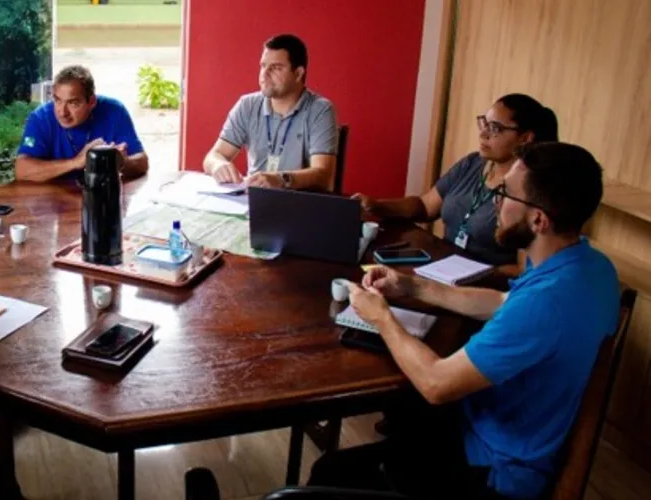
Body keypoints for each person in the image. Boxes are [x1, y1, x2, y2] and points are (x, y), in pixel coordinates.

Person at [308, 142, 619, 499]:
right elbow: (504, 302)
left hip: (492, 470)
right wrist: (413, 286)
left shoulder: (545, 304)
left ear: (539, 220)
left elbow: (436, 384)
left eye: (505, 193)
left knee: (330, 471)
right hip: (506, 428)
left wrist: (382, 317)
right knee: (405, 413)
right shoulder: (592, 268)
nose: (495, 201)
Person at [353, 94, 558, 268]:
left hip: (484, 287)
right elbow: (425, 206)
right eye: (484, 123)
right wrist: (376, 205)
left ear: (525, 138)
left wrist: (474, 275)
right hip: (440, 269)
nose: (483, 133)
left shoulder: (528, 190)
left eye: (495, 128)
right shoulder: (472, 163)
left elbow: (523, 269)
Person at [202, 33, 338, 192]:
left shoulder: (320, 110)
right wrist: (218, 165)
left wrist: (280, 180)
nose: (264, 74)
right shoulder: (247, 105)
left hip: (300, 204)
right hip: (252, 200)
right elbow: (213, 156)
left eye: (276, 68)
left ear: (298, 73)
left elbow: (323, 174)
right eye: (263, 65)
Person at [15, 65, 148, 182]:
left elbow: (142, 162)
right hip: (53, 202)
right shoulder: (40, 119)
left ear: (91, 102)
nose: (62, 112)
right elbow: (22, 170)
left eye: (73, 103)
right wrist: (76, 162)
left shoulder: (114, 110)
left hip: (101, 196)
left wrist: (120, 162)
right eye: (57, 100)